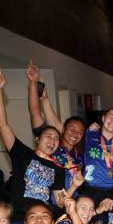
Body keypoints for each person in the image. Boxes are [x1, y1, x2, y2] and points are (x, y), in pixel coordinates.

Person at [0, 64, 75, 224]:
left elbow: (59, 201)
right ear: (38, 139)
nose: (53, 141)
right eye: (48, 136)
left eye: (56, 139)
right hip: (18, 221)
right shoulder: (22, 154)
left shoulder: (58, 168)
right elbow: (2, 124)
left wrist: (74, 186)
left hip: (43, 222)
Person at [26, 60, 86, 194]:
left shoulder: (80, 153)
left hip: (71, 199)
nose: (75, 134)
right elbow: (35, 111)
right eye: (72, 129)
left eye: (80, 132)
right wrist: (33, 84)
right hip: (47, 196)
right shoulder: (52, 144)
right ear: (63, 129)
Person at [82, 107, 113, 204]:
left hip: (112, 191)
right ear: (103, 118)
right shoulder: (90, 134)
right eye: (111, 116)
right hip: (89, 189)